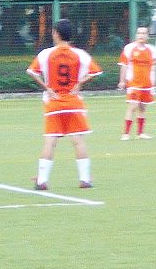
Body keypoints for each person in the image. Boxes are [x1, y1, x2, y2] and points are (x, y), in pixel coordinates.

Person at [27, 18, 103, 191]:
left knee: (50, 142)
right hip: (73, 103)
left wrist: (47, 88)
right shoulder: (80, 54)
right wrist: (80, 83)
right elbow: (96, 71)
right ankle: (85, 179)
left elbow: (32, 72)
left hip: (54, 104)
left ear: (55, 33)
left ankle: (42, 181)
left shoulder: (46, 54)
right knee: (78, 141)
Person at [117, 25, 156, 140]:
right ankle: (126, 133)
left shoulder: (152, 50)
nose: (141, 35)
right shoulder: (129, 48)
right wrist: (122, 81)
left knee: (142, 108)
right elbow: (124, 65)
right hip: (133, 83)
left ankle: (140, 133)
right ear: (136, 35)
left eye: (143, 33)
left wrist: (152, 78)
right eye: (139, 33)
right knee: (132, 106)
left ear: (147, 36)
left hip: (147, 84)